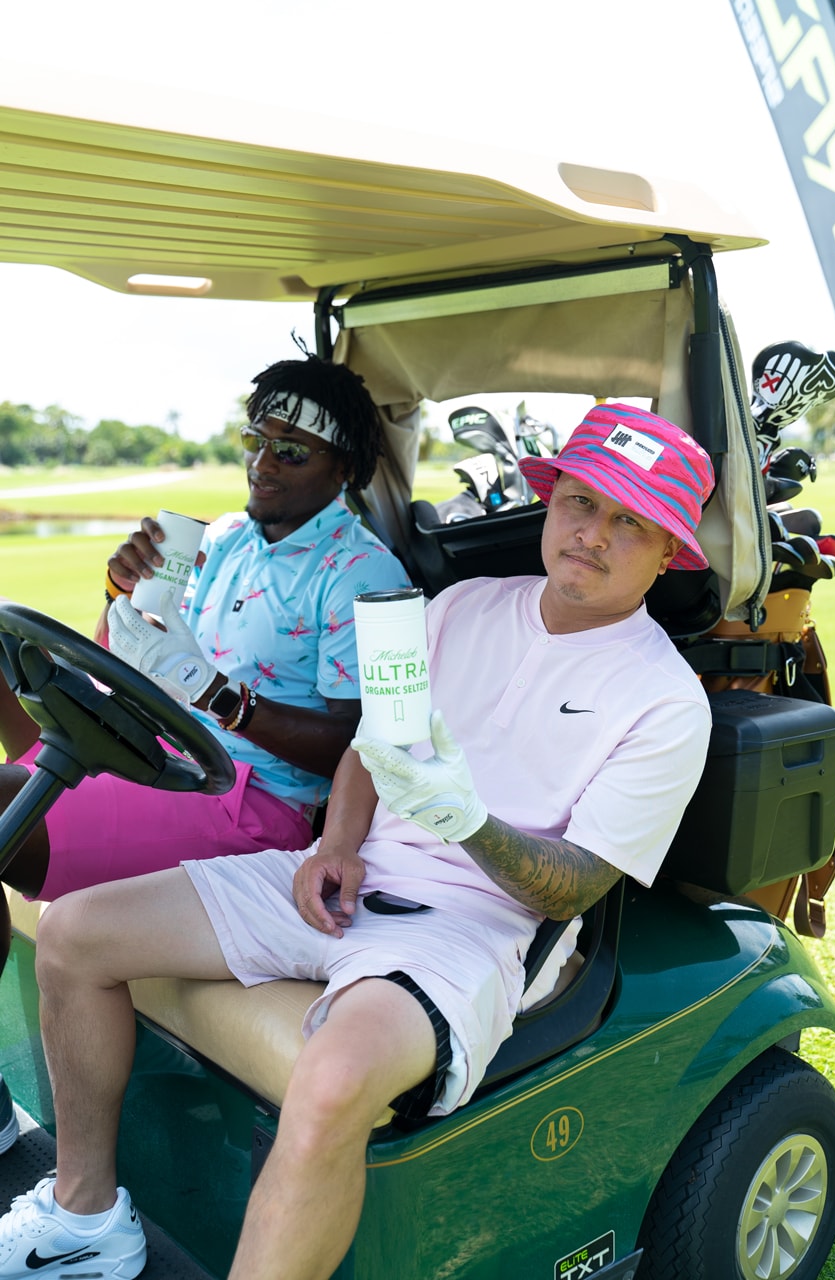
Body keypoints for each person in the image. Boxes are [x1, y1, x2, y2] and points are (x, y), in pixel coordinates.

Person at [0, 403, 714, 1280]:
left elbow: (568, 891)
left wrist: (471, 825)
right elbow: (372, 747)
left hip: (472, 927)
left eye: (629, 523)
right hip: (350, 877)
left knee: (332, 1077)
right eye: (579, 503)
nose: (592, 535)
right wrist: (336, 843)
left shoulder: (667, 703)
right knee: (76, 934)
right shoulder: (460, 608)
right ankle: (85, 1216)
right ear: (549, 500)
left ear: (668, 550)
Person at [0, 350, 409, 1150]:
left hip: (259, 804)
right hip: (170, 755)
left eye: (291, 450)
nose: (262, 463)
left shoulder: (359, 572)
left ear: (346, 468)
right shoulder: (222, 539)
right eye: (256, 439)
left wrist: (220, 696)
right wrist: (119, 597)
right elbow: (140, 661)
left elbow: (355, 747)